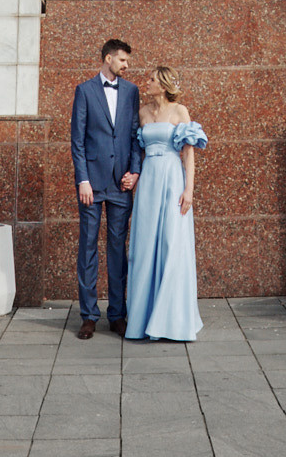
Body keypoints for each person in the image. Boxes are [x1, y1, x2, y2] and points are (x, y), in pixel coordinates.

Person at [123, 64, 206, 342]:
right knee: (145, 247)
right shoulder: (143, 113)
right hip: (149, 181)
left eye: (151, 79)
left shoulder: (179, 111)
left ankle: (172, 321)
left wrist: (189, 190)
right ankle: (143, 320)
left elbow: (188, 154)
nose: (146, 83)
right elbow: (135, 149)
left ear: (164, 84)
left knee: (172, 244)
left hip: (172, 180)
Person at [69, 38, 140, 339]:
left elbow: (136, 136)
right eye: (122, 60)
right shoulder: (84, 91)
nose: (127, 65)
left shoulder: (132, 92)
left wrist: (135, 171)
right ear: (109, 59)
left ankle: (117, 315)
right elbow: (78, 140)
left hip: (121, 183)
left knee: (117, 249)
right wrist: (82, 179)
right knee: (87, 248)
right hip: (92, 184)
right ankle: (88, 316)